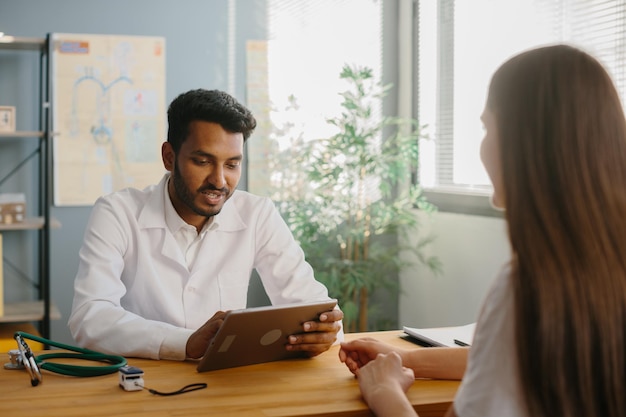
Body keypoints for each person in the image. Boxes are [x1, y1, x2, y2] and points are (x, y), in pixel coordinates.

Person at [339, 44, 626, 417]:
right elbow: (512, 355)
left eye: (488, 127)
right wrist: (404, 358)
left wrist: (384, 390)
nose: (484, 146)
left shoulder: (530, 286)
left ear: (524, 145)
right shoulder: (599, 270)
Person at [68, 88, 343, 361]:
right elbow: (90, 318)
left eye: (232, 165)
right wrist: (186, 343)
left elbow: (313, 306)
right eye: (202, 161)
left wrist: (325, 328)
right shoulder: (117, 212)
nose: (220, 181)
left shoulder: (257, 214)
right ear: (169, 157)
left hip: (225, 385)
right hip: (139, 383)